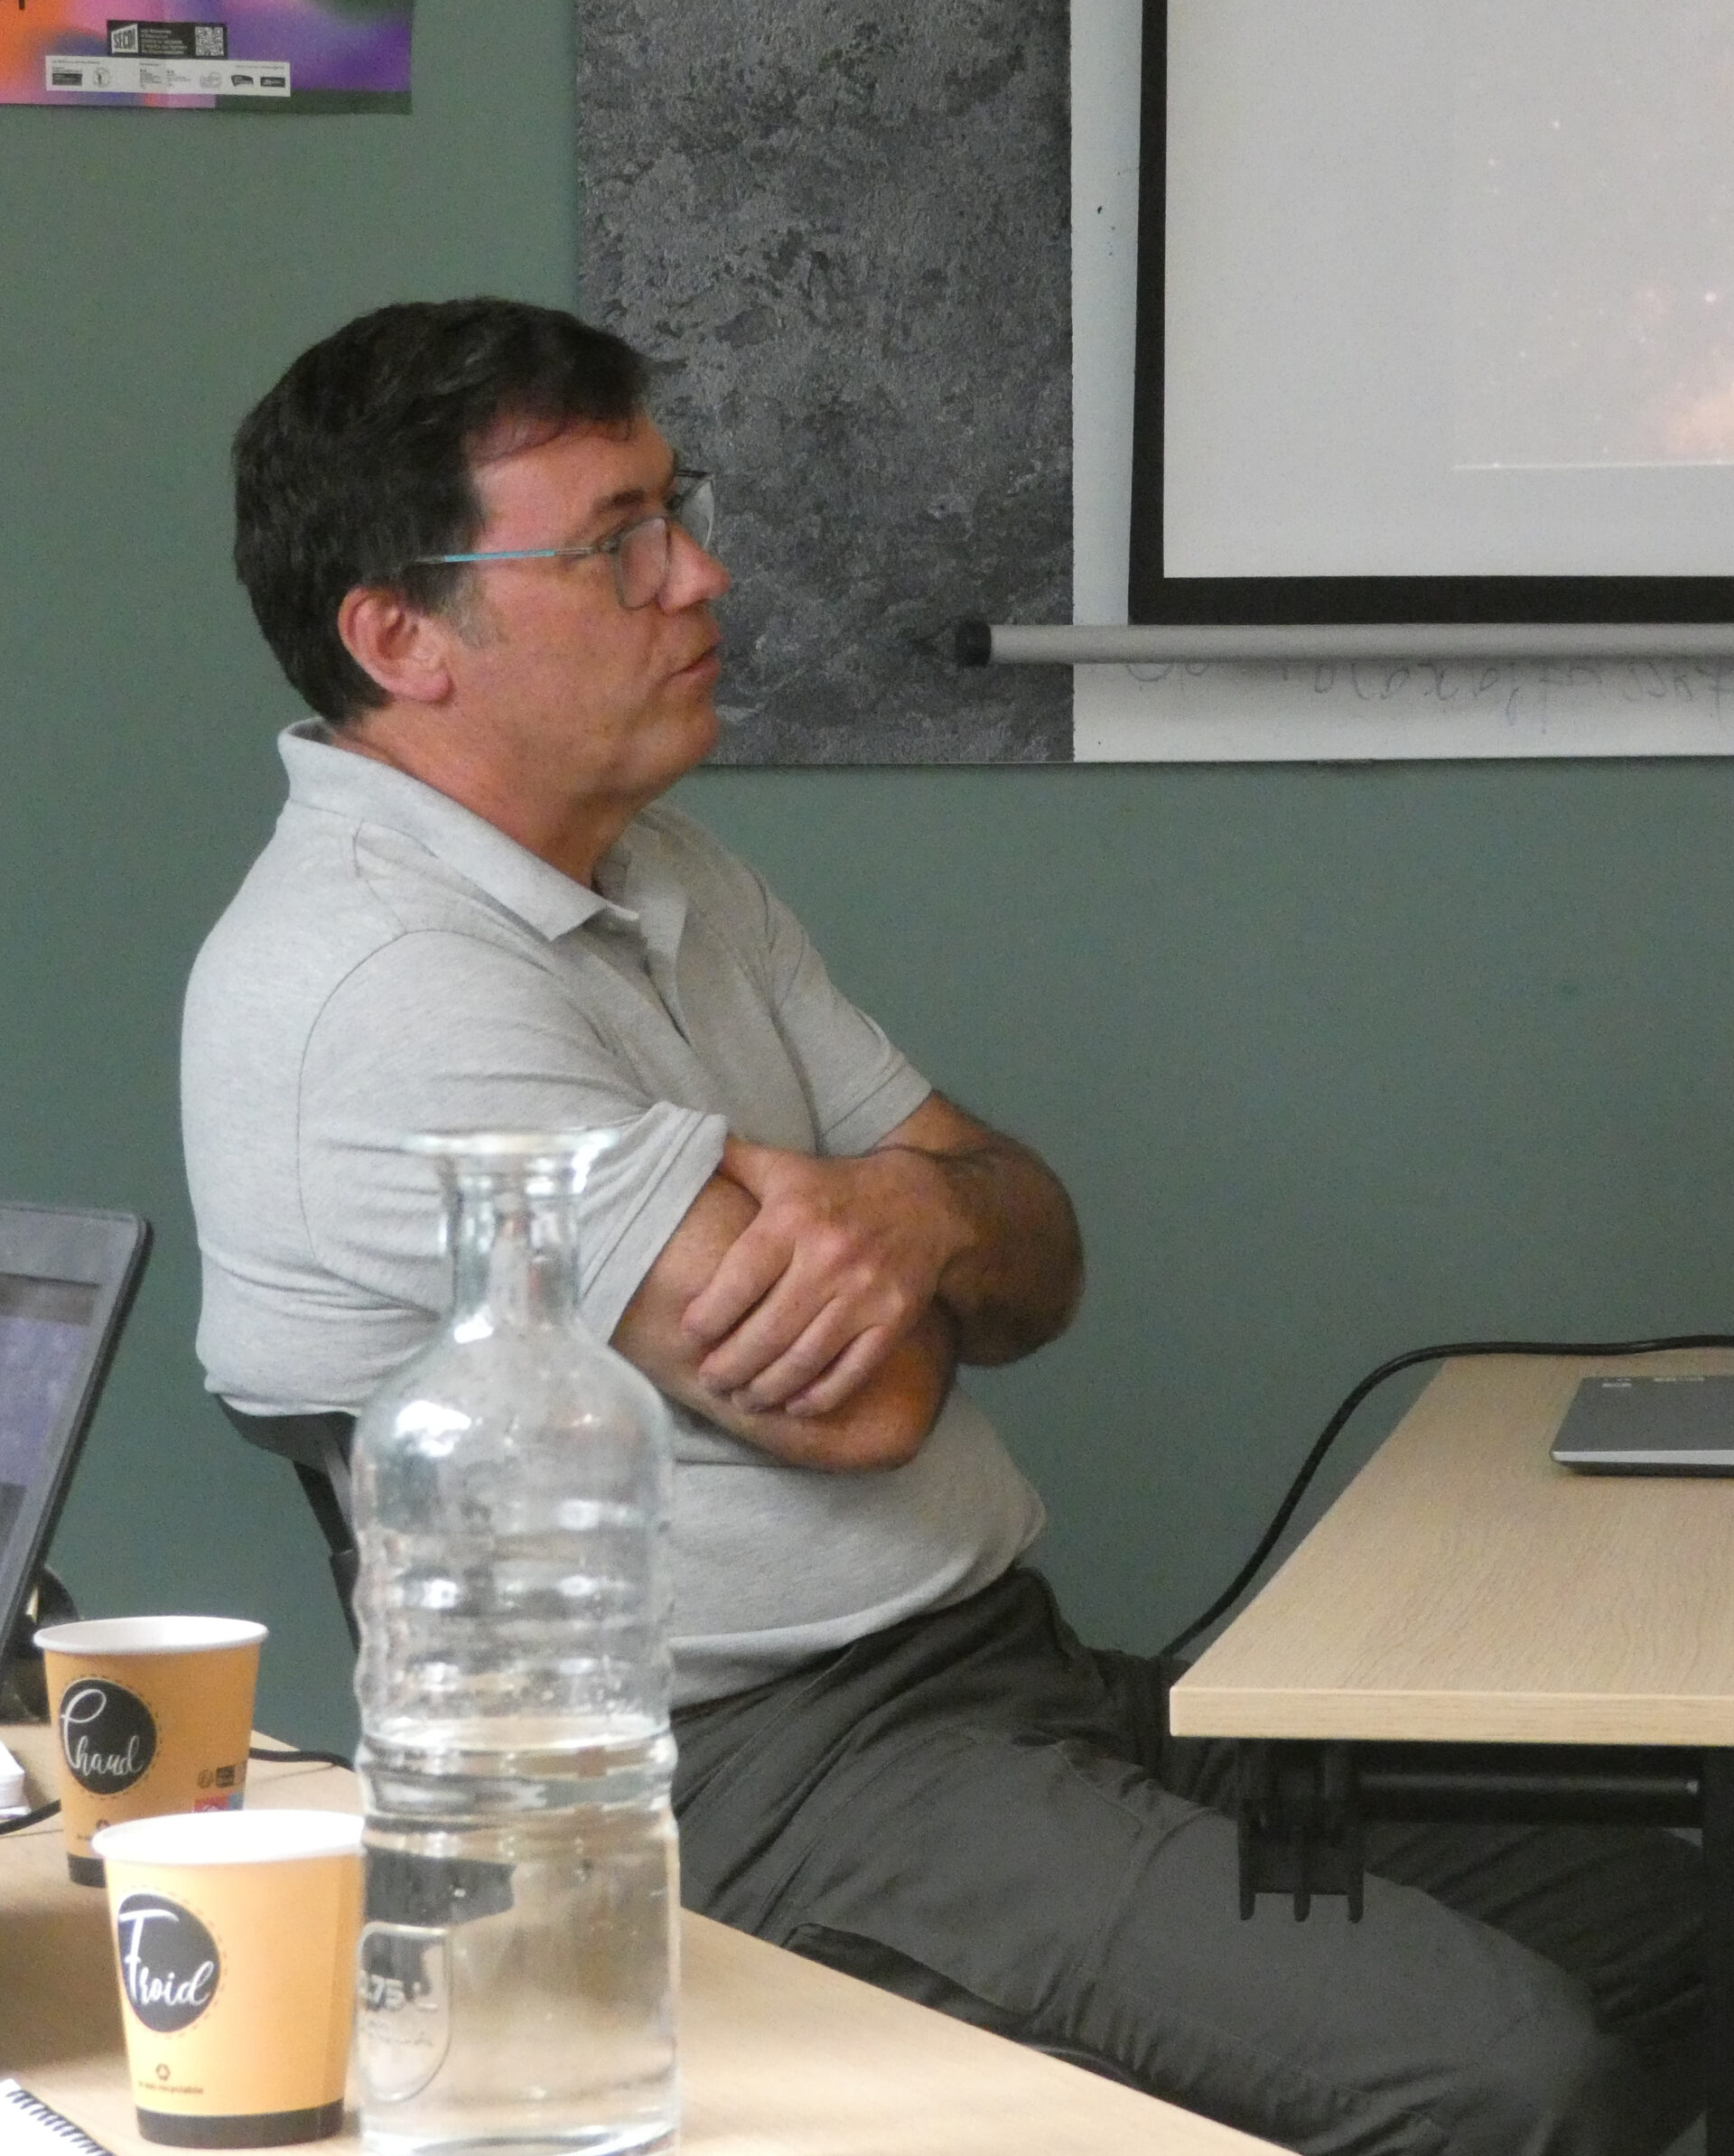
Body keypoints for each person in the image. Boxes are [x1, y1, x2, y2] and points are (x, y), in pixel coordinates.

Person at [182, 298, 1702, 2156]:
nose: (700, 574)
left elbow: (1031, 1244)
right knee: (1498, 2072)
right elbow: (873, 1400)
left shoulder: (670, 873)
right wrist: (921, 1218)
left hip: (1011, 1690)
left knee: (1676, 1918)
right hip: (757, 1783)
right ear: (400, 636)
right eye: (617, 541)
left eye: (679, 511)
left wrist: (902, 1204)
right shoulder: (384, 980)